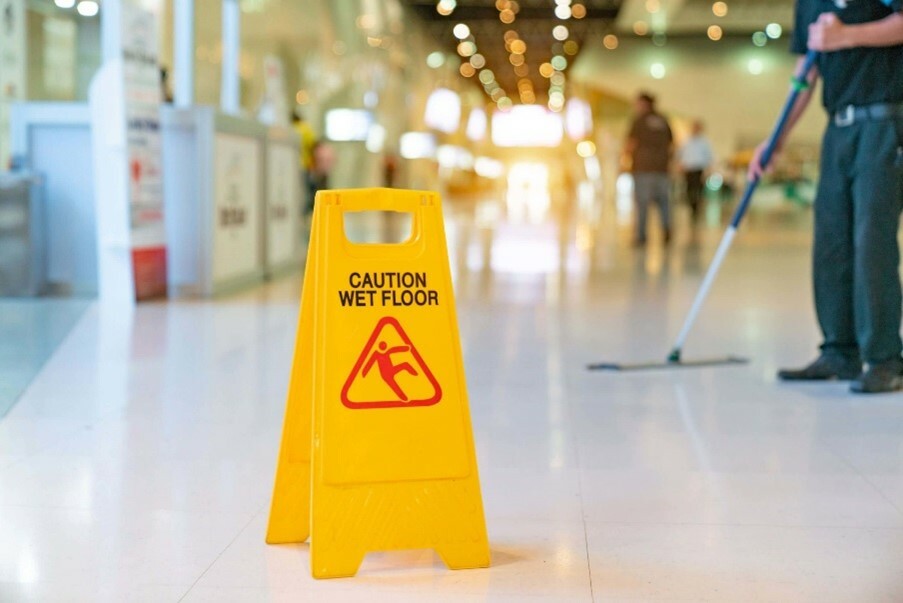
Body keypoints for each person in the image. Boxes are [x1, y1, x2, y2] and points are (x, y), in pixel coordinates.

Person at [749, 0, 903, 393]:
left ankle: (885, 358)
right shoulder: (809, 3)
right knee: (831, 241)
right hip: (837, 128)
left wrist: (846, 35)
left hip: (884, 121)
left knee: (872, 242)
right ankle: (839, 352)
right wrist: (776, 139)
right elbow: (807, 69)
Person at [625, 92, 674, 247]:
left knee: (642, 203)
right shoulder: (663, 120)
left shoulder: (639, 121)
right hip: (662, 168)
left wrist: (625, 161)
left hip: (643, 167)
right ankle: (666, 229)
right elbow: (671, 143)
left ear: (644, 104)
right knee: (663, 202)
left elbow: (631, 143)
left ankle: (641, 236)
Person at [677, 120, 714, 231]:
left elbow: (709, 156)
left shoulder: (705, 142)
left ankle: (696, 210)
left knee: (698, 190)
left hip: (699, 169)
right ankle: (692, 207)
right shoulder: (685, 141)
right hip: (688, 169)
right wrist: (680, 165)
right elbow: (680, 154)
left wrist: (708, 169)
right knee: (689, 190)